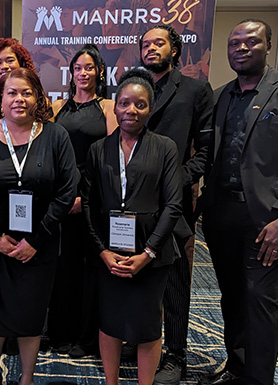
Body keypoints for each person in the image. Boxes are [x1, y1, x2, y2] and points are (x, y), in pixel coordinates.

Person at [198, 19, 278, 385]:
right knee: (232, 296)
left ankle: (258, 378)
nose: (240, 47)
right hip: (222, 215)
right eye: (234, 42)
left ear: (268, 45)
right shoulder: (221, 95)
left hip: (268, 220)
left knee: (260, 299)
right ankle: (236, 368)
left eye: (251, 41)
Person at [0, 67, 77, 385]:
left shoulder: (55, 136)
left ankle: (27, 377)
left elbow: (68, 191)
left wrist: (37, 240)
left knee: (31, 312)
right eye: (12, 92)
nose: (19, 99)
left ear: (38, 96)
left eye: (27, 92)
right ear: (0, 98)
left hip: (39, 247)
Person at [81, 68, 184, 385]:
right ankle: (110, 381)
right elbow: (88, 204)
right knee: (110, 321)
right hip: (110, 253)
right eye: (124, 103)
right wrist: (102, 251)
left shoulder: (165, 147)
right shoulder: (99, 150)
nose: (131, 111)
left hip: (151, 254)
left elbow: (173, 205)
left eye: (140, 104)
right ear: (115, 106)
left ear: (150, 108)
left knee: (148, 325)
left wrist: (149, 252)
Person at [136, 24, 214, 384]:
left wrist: (175, 180)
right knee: (132, 273)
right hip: (131, 201)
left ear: (175, 49)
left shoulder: (195, 90)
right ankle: (137, 338)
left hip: (173, 202)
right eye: (146, 44)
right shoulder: (131, 86)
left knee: (175, 281)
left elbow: (206, 153)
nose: (151, 48)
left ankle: (176, 353)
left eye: (159, 43)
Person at [48, 44, 116, 358]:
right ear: (71, 73)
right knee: (63, 267)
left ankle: (88, 339)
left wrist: (84, 197)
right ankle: (61, 333)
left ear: (99, 72)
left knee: (91, 268)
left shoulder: (108, 107)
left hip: (93, 194)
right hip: (59, 194)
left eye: (89, 67)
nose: (83, 73)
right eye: (78, 68)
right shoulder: (57, 105)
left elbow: (112, 158)